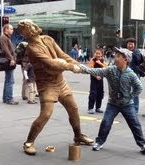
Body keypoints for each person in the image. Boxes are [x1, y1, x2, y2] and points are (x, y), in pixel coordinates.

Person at [17, 19, 93, 156]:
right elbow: (52, 63)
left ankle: (78, 136)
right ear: (26, 33)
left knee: (73, 109)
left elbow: (62, 55)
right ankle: (28, 142)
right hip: (47, 84)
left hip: (60, 82)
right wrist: (71, 67)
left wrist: (78, 65)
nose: (32, 29)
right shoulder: (32, 48)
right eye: (28, 29)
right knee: (46, 114)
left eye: (31, 26)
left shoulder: (47, 39)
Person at [77, 47, 145, 155]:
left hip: (127, 104)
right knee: (106, 122)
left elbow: (139, 88)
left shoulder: (131, 74)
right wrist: (83, 69)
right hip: (113, 104)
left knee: (135, 124)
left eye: (118, 56)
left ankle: (143, 144)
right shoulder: (110, 70)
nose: (115, 58)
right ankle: (99, 142)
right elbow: (97, 71)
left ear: (125, 60)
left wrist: (130, 96)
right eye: (116, 55)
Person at [0, 24, 18, 105]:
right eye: (11, 29)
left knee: (8, 80)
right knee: (10, 81)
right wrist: (12, 59)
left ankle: (5, 98)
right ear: (6, 29)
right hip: (8, 61)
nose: (12, 30)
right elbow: (5, 50)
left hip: (9, 61)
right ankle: (9, 99)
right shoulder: (3, 38)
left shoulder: (6, 38)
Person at [126, 38, 145, 113]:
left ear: (134, 45)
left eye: (131, 44)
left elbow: (138, 60)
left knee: (135, 91)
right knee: (127, 91)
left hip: (135, 74)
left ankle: (135, 109)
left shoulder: (136, 52)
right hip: (126, 74)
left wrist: (132, 54)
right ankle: (128, 107)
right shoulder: (125, 51)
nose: (130, 45)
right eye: (129, 44)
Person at [87, 49, 106, 114]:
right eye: (96, 53)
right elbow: (91, 69)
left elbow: (106, 68)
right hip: (94, 79)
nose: (97, 55)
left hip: (101, 79)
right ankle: (90, 108)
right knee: (93, 93)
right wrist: (96, 76)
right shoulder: (92, 60)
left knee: (100, 93)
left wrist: (100, 63)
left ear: (101, 55)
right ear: (94, 54)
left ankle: (98, 107)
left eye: (99, 54)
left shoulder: (102, 60)